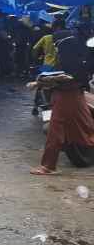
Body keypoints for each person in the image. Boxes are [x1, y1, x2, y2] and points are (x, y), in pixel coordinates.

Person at [33, 24, 94, 175]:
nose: (57, 48)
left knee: (55, 129)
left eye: (57, 45)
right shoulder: (79, 56)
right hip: (77, 95)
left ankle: (48, 166)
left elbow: (68, 77)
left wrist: (47, 81)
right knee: (85, 127)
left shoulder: (69, 57)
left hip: (66, 96)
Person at [32, 22, 60, 115]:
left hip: (46, 65)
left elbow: (35, 48)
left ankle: (37, 106)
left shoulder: (46, 37)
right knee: (56, 87)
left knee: (41, 85)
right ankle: (52, 107)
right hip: (58, 66)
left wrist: (35, 59)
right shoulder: (64, 38)